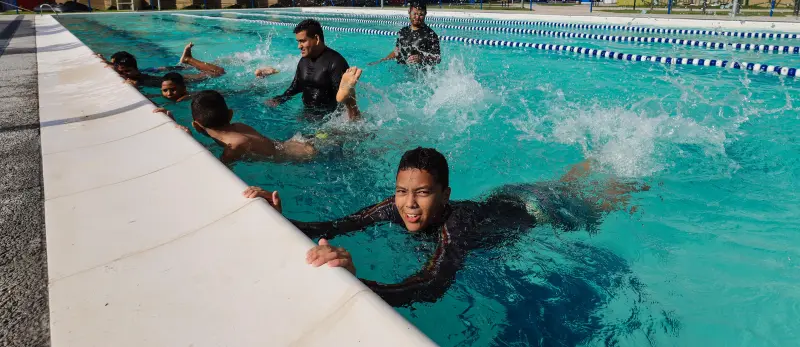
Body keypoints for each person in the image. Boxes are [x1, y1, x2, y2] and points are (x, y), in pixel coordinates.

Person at [243, 147, 648, 307]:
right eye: (402, 192)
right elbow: (339, 224)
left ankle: (633, 175)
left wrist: (359, 282)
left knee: (596, 205)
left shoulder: (456, 224)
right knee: (569, 181)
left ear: (444, 195)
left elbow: (433, 283)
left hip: (537, 211)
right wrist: (281, 216)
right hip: (507, 197)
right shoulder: (396, 207)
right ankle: (596, 163)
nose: (409, 204)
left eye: (422, 193)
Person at [263, 19, 361, 120]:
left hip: (328, 118)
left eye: (302, 41)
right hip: (306, 113)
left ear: (316, 39)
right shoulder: (304, 61)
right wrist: (279, 99)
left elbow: (342, 105)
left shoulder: (335, 62)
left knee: (345, 100)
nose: (299, 46)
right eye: (298, 42)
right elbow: (296, 87)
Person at [191, 90, 316, 164]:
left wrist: (191, 140)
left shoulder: (232, 149)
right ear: (230, 115)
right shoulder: (239, 126)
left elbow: (220, 170)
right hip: (296, 143)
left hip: (302, 156)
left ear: (196, 126)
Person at [101, 43, 226, 87]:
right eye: (120, 72)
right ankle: (188, 60)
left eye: (126, 71)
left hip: (176, 80)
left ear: (136, 69)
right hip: (170, 80)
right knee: (217, 72)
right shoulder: (135, 76)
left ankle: (188, 60)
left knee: (218, 72)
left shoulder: (138, 78)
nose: (123, 74)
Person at [371, 3, 441, 66]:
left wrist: (421, 58)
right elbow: (397, 51)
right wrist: (383, 60)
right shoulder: (403, 31)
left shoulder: (430, 35)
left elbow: (437, 58)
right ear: (409, 12)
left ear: (425, 14)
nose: (417, 17)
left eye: (421, 15)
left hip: (420, 73)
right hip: (401, 70)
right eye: (415, 14)